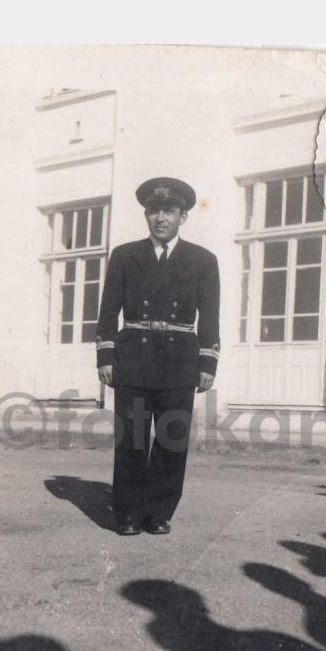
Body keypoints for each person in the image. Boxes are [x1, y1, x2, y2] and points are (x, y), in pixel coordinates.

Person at [96, 177, 220, 536]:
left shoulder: (203, 260)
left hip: (179, 360)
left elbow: (210, 316)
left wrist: (207, 362)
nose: (161, 218)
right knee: (131, 440)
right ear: (146, 215)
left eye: (169, 211)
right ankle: (128, 513)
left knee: (172, 440)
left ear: (183, 217)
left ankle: (159, 512)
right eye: (154, 211)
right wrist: (106, 356)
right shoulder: (125, 255)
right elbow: (108, 311)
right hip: (134, 357)